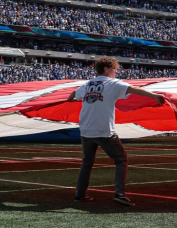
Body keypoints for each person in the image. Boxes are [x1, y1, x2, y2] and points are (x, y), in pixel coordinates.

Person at [67, 56, 165, 206]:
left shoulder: (87, 84)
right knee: (121, 159)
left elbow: (71, 96)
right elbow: (133, 89)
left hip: (86, 130)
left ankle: (79, 195)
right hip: (104, 130)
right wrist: (155, 96)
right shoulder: (111, 83)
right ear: (106, 69)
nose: (116, 72)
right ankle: (120, 194)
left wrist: (75, 100)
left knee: (87, 162)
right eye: (114, 69)